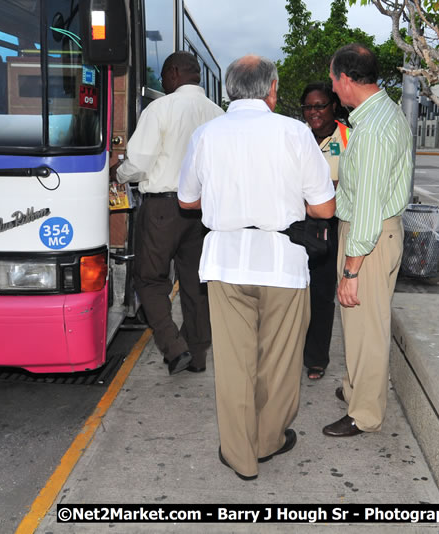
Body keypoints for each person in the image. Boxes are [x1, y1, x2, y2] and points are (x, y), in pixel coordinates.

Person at [178, 55, 335, 480]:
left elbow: (186, 201)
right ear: (272, 89)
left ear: (230, 90)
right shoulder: (295, 133)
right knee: (280, 362)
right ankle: (268, 441)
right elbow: (324, 206)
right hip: (282, 261)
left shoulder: (206, 134)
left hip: (226, 262)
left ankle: (240, 457)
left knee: (233, 365)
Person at [323, 43, 413, 437]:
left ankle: (366, 413)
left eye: (331, 78)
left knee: (367, 327)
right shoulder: (377, 115)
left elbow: (368, 206)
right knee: (359, 325)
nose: (330, 85)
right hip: (373, 234)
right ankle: (357, 389)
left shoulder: (374, 129)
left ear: (345, 79)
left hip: (369, 239)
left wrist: (351, 268)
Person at [116, 51, 223, 375]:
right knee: (195, 282)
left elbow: (139, 163)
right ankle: (198, 355)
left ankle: (174, 348)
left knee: (149, 279)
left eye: (163, 75)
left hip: (164, 207)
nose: (162, 82)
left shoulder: (160, 108)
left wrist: (118, 173)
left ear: (175, 73)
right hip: (203, 210)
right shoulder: (218, 114)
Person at [299, 82, 349, 381]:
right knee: (292, 292)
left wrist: (326, 191)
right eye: (308, 107)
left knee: (321, 295)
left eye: (320, 106)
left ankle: (316, 358)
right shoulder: (295, 136)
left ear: (333, 106)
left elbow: (354, 183)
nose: (314, 112)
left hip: (331, 225)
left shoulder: (349, 137)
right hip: (297, 223)